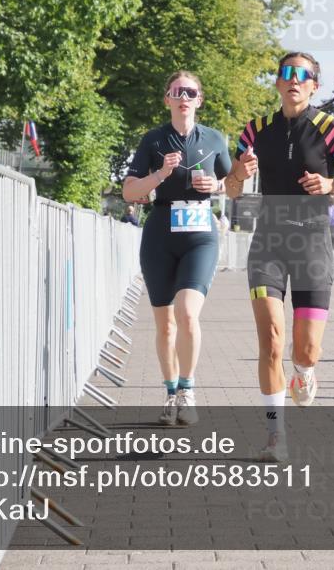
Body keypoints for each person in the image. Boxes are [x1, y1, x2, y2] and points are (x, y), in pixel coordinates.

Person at [225, 51, 334, 461]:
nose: (293, 80)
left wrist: (333, 184)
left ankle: (305, 373)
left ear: (313, 85)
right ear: (277, 83)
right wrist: (240, 171)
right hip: (268, 244)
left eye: (303, 75)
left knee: (304, 350)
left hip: (312, 244)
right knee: (272, 341)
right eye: (286, 73)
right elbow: (231, 190)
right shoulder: (255, 130)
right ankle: (276, 436)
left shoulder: (331, 128)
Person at [123, 72, 231, 425]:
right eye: (176, 91)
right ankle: (170, 393)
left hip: (200, 233)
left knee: (187, 312)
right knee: (166, 325)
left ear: (199, 100)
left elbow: (236, 186)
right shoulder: (153, 140)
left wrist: (216, 185)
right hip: (160, 233)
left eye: (191, 92)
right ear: (167, 99)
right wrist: (159, 176)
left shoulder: (214, 139)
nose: (183, 96)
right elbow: (129, 192)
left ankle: (188, 389)